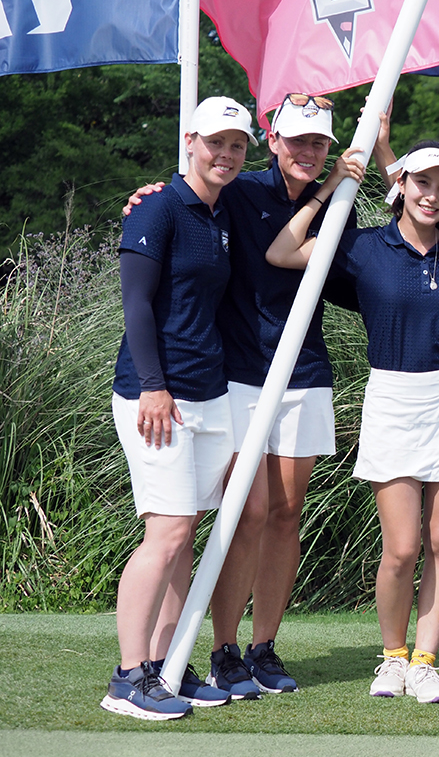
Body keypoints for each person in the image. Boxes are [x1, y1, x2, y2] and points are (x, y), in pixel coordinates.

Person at [123, 95, 384, 700]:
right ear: (274, 141)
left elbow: (389, 241)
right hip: (235, 374)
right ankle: (222, 648)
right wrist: (145, 197)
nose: (307, 152)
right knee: (248, 511)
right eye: (296, 141)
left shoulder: (340, 205)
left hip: (304, 371)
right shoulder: (238, 190)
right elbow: (179, 202)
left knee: (287, 512)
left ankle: (263, 645)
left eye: (319, 144)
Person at [267, 140, 439, 704]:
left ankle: (427, 662)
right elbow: (283, 251)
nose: (432, 196)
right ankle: (392, 657)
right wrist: (331, 185)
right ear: (401, 186)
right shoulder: (364, 246)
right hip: (391, 397)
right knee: (402, 548)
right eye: (422, 183)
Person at [103, 96, 256, 720]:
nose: (225, 154)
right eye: (215, 142)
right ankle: (126, 677)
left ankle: (166, 666)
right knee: (165, 532)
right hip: (156, 395)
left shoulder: (220, 213)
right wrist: (152, 384)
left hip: (209, 391)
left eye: (237, 146)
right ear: (190, 140)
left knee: (185, 533)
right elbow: (136, 304)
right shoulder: (159, 208)